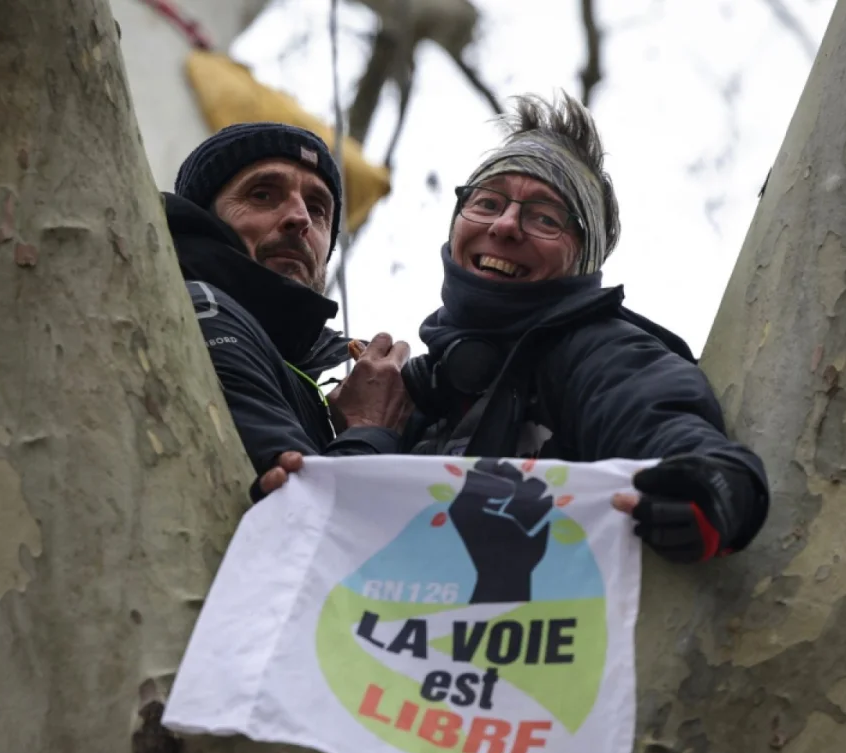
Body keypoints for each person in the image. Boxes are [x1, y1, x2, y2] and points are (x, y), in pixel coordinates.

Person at [401, 94, 770, 563]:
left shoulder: (599, 350)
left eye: (545, 218)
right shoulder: (406, 391)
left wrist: (716, 484)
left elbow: (659, 423)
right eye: (487, 202)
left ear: (583, 260)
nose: (506, 225)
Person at [165, 122, 412, 495]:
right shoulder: (201, 310)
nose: (300, 219)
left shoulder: (326, 364)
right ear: (204, 218)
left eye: (318, 208)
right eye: (263, 195)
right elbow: (309, 513)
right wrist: (368, 425)